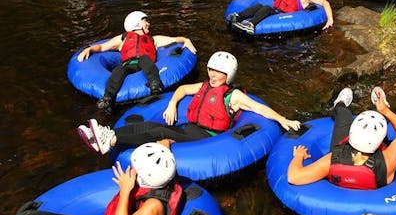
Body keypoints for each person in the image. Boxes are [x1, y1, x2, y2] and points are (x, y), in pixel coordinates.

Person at [77, 51, 301, 155]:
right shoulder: (204, 86)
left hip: (207, 138)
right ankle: (106, 134)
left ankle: (111, 140)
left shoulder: (232, 96)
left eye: (219, 72)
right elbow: (182, 89)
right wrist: (172, 104)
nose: (213, 75)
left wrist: (283, 119)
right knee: (152, 126)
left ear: (228, 75)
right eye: (211, 69)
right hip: (190, 129)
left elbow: (259, 108)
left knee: (160, 130)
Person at [0, 141, 181, 215]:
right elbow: (160, 150)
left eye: (135, 168)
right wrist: (165, 142)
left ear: (146, 177)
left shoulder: (153, 206)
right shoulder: (160, 173)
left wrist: (125, 191)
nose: (132, 169)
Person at [287, 86, 396, 189]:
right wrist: (385, 111)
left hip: (342, 162)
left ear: (351, 133)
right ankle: (382, 108)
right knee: (383, 121)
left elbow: (294, 177)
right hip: (376, 181)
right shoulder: (388, 161)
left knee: (343, 116)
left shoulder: (331, 160)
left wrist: (299, 156)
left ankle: (340, 104)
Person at [77, 10, 197, 114]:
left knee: (145, 59)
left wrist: (186, 40)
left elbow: (174, 39)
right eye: (146, 21)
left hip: (145, 63)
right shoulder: (123, 38)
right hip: (128, 65)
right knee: (119, 70)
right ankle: (108, 97)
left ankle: (155, 84)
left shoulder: (153, 39)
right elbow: (103, 47)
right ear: (137, 23)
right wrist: (90, 49)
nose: (148, 24)